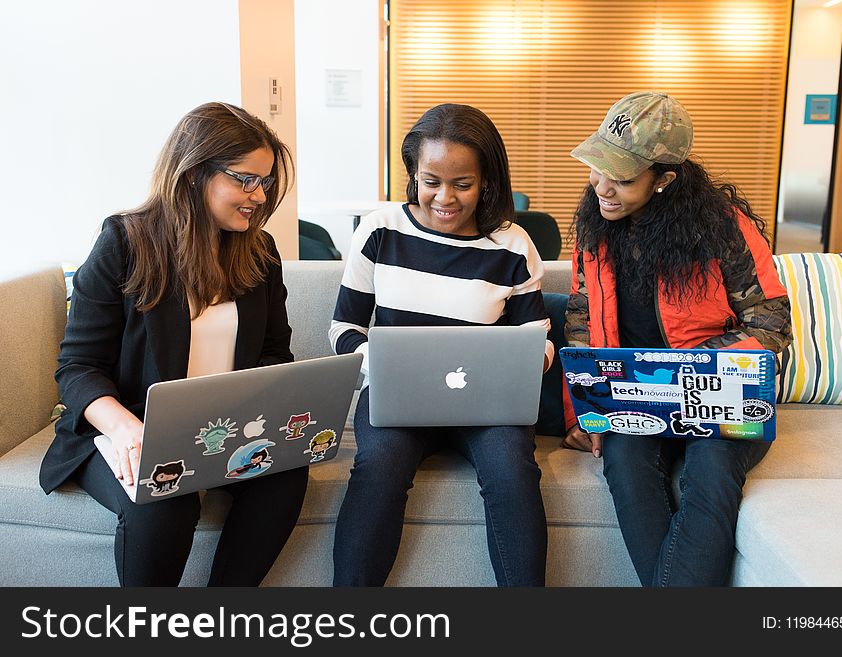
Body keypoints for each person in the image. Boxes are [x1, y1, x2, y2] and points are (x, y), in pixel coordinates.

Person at [39, 101, 308, 587]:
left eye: (265, 182)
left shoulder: (260, 251)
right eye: (245, 179)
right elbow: (77, 367)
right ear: (192, 173)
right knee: (168, 493)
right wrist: (125, 429)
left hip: (223, 431)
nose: (258, 195)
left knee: (286, 477)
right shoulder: (124, 241)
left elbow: (273, 354)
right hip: (126, 433)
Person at [562, 92, 792, 587]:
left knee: (709, 472)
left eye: (621, 177)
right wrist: (585, 412)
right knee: (624, 463)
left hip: (725, 396)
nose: (601, 186)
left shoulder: (723, 229)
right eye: (597, 167)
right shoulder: (593, 229)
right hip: (637, 398)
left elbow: (770, 322)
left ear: (664, 179)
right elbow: (582, 321)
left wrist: (689, 369)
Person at [329, 103, 554, 586]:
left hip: (487, 404)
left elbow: (536, 334)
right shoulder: (380, 229)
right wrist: (381, 363)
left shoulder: (512, 246)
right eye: (431, 181)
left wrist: (534, 356)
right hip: (396, 398)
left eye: (463, 184)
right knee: (378, 469)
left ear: (488, 180)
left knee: (513, 472)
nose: (444, 198)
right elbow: (343, 328)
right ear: (413, 174)